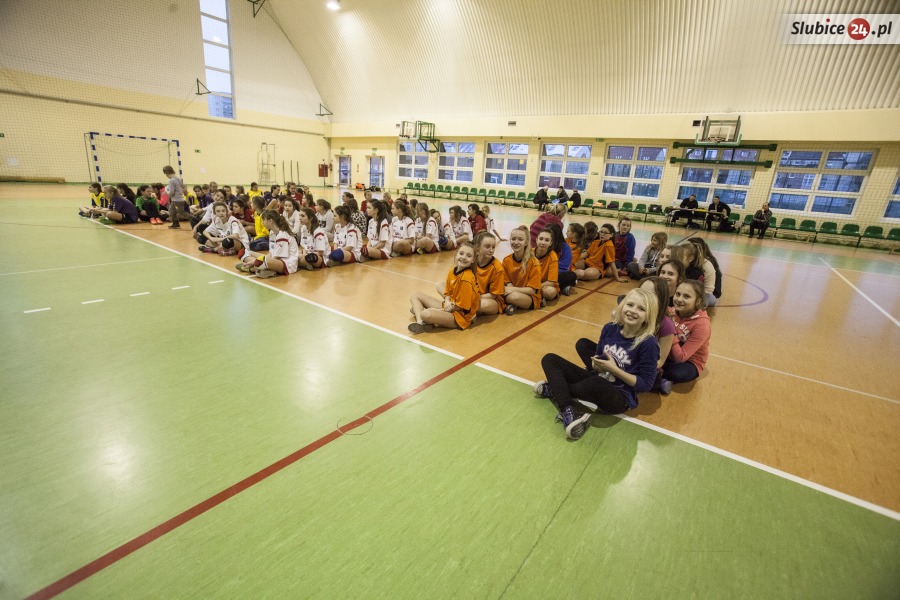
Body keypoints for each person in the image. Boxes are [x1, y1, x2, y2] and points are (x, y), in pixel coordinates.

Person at [534, 288, 660, 440]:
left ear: (648, 316)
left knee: (596, 382)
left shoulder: (648, 343)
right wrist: (596, 365)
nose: (633, 311)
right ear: (622, 306)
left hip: (619, 397)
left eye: (641, 309)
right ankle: (568, 411)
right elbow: (598, 358)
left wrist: (614, 369)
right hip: (598, 378)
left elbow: (645, 384)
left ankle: (556, 389)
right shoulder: (609, 328)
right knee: (549, 359)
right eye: (630, 305)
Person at [408, 242, 480, 334]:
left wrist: (438, 310)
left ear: (473, 260)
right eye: (461, 253)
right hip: (450, 306)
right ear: (456, 254)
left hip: (460, 317)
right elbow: (448, 293)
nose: (464, 257)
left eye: (468, 256)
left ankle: (423, 316)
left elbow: (461, 307)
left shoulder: (466, 279)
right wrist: (447, 301)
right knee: (415, 295)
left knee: (425, 313)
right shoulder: (452, 271)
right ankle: (421, 323)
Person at [664, 280, 711, 385]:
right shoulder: (671, 311)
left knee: (676, 374)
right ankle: (658, 376)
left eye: (686, 296)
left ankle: (657, 376)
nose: (679, 299)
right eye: (678, 294)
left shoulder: (702, 325)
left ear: (698, 301)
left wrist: (671, 328)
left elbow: (680, 357)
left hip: (690, 362)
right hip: (670, 353)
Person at [638, 277, 677, 395]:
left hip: (645, 368)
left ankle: (660, 382)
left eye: (649, 295)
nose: (643, 298)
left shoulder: (666, 325)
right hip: (625, 358)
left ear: (660, 299)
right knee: (588, 348)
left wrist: (629, 363)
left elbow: (660, 362)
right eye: (641, 293)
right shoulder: (633, 313)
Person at [236, 210, 299, 278]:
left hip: (287, 264)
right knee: (244, 252)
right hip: (274, 259)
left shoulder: (282, 235)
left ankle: (252, 268)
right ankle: (260, 269)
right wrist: (256, 260)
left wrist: (254, 262)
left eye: (263, 220)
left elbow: (276, 258)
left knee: (261, 261)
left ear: (270, 221)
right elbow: (271, 254)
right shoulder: (272, 232)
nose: (262, 222)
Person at [501, 226, 542, 315]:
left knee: (513, 297)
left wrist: (511, 289)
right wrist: (509, 287)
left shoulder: (533, 262)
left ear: (526, 242)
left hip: (530, 296)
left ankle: (509, 304)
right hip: (512, 291)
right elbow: (507, 282)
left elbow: (532, 291)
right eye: (513, 239)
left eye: (520, 239)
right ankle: (512, 305)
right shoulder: (506, 260)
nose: (516, 242)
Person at [471, 231, 506, 315]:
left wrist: (473, 298)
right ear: (477, 248)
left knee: (482, 304)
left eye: (493, 247)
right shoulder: (471, 261)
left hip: (492, 300)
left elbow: (493, 295)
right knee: (441, 285)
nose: (491, 250)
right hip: (474, 296)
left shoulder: (497, 268)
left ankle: (461, 310)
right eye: (487, 247)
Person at [688, 238, 722, 307]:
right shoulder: (688, 263)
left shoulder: (707, 263)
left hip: (707, 294)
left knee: (710, 299)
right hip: (694, 291)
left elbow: (710, 290)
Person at [546, 223, 576, 295]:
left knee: (572, 275)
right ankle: (561, 287)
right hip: (543, 272)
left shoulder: (565, 248)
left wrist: (550, 271)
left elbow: (564, 268)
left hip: (557, 273)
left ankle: (558, 286)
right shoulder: (543, 244)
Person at [534, 229, 559, 303]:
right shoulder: (529, 253)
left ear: (550, 243)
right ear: (536, 240)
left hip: (544, 285)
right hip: (530, 284)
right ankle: (538, 298)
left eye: (547, 240)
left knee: (550, 292)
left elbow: (551, 282)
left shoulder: (553, 257)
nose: (543, 242)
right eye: (541, 239)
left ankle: (535, 297)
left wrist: (535, 287)